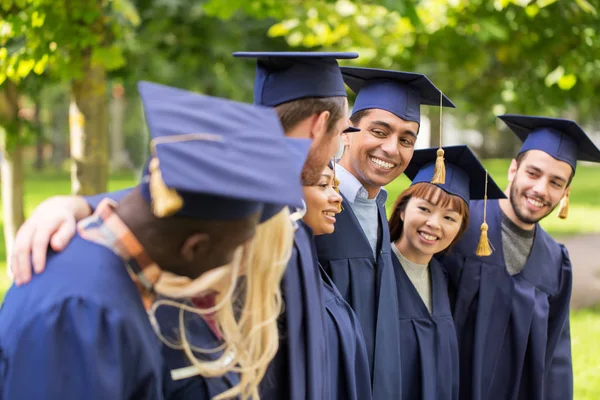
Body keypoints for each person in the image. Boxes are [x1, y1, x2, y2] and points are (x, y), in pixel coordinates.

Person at [9, 51, 358, 400]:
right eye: (235, 252)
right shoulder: (85, 309)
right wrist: (75, 204)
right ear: (195, 248)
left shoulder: (127, 272)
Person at [314, 66, 455, 398]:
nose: (393, 149)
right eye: (379, 131)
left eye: (407, 139)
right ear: (346, 133)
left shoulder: (379, 208)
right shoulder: (311, 209)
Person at [440, 114, 600, 400]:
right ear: (513, 170)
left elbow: (555, 359)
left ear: (566, 192)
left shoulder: (556, 262)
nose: (540, 189)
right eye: (533, 173)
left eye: (556, 182)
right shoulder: (459, 224)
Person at [388, 145, 504, 400]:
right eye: (424, 209)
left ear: (460, 230)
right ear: (402, 209)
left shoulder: (442, 279)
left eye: (449, 218)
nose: (434, 224)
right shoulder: (375, 270)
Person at [301, 161, 372, 400]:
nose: (337, 197)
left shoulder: (310, 268)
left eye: (335, 185)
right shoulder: (284, 278)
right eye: (324, 185)